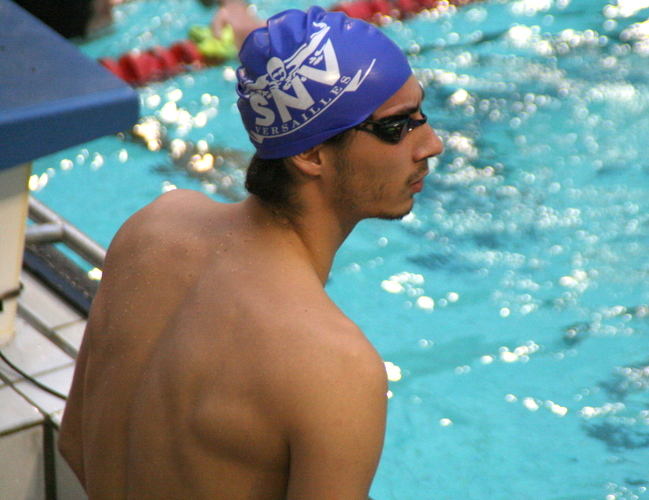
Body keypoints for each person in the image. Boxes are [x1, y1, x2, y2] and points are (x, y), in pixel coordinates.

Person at [58, 6, 443, 499]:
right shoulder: (335, 366)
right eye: (397, 127)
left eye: (420, 116)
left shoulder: (152, 228)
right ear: (310, 154)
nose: (432, 144)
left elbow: (75, 444)